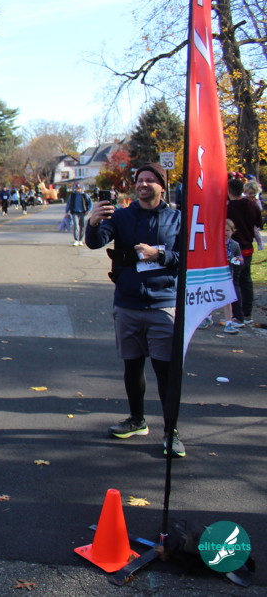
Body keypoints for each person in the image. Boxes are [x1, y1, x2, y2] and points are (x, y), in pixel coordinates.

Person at [85, 163, 186, 458]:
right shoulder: (122, 216)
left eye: (150, 180)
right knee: (132, 366)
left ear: (162, 186)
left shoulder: (177, 219)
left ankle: (171, 431)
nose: (142, 184)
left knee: (165, 371)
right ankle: (137, 420)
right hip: (127, 303)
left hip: (163, 303)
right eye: (140, 180)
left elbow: (187, 257)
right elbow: (95, 243)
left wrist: (159, 255)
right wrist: (93, 222)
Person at [226, 178, 262, 327]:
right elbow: (258, 223)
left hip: (234, 249)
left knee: (234, 281)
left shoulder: (228, 208)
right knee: (246, 280)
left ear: (229, 191)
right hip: (248, 247)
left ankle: (238, 316)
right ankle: (247, 315)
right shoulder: (253, 205)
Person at [197, 219, 244, 334]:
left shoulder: (235, 245)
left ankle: (229, 323)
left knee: (227, 300)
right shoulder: (214, 243)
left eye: (228, 230)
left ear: (232, 231)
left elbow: (240, 259)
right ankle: (207, 317)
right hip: (213, 275)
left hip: (227, 277)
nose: (225, 233)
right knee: (210, 297)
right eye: (223, 230)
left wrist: (238, 260)